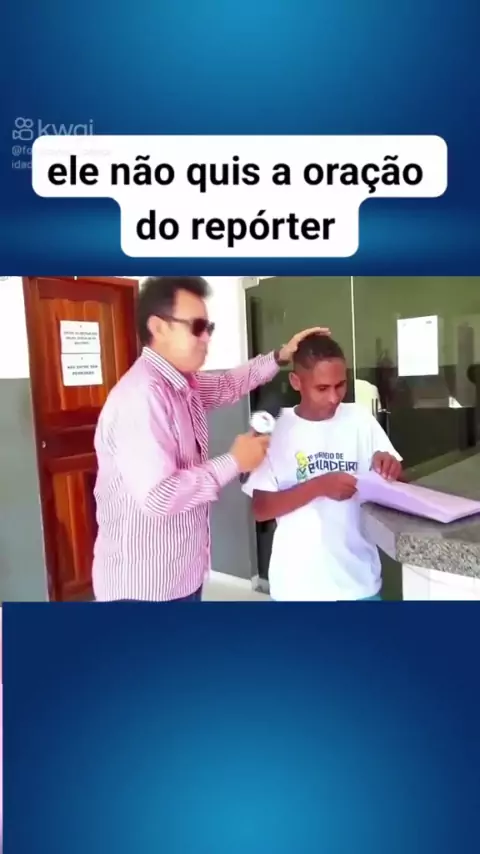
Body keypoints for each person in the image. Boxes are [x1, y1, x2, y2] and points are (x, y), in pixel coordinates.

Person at [92, 276, 328, 602]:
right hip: (144, 589)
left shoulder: (182, 384)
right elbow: (160, 495)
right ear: (158, 328)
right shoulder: (141, 397)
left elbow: (228, 385)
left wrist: (280, 356)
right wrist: (234, 461)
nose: (206, 338)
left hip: (181, 575)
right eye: (197, 327)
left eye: (210, 327)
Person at [242, 333, 402, 602]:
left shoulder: (360, 419)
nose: (333, 397)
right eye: (322, 388)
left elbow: (395, 482)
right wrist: (318, 487)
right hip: (297, 588)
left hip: (359, 582)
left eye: (340, 385)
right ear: (297, 382)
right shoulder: (276, 429)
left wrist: (390, 468)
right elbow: (261, 509)